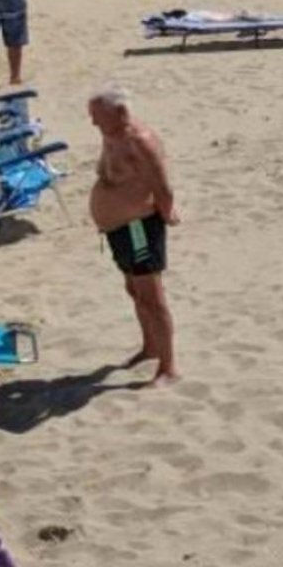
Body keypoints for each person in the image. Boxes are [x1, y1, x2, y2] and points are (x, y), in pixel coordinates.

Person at [87, 85, 180, 388]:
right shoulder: (111, 133)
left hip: (138, 227)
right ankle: (150, 347)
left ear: (121, 112)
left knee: (152, 297)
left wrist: (167, 212)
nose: (93, 122)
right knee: (134, 290)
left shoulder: (140, 142)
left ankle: (168, 367)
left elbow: (163, 187)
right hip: (118, 229)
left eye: (97, 116)